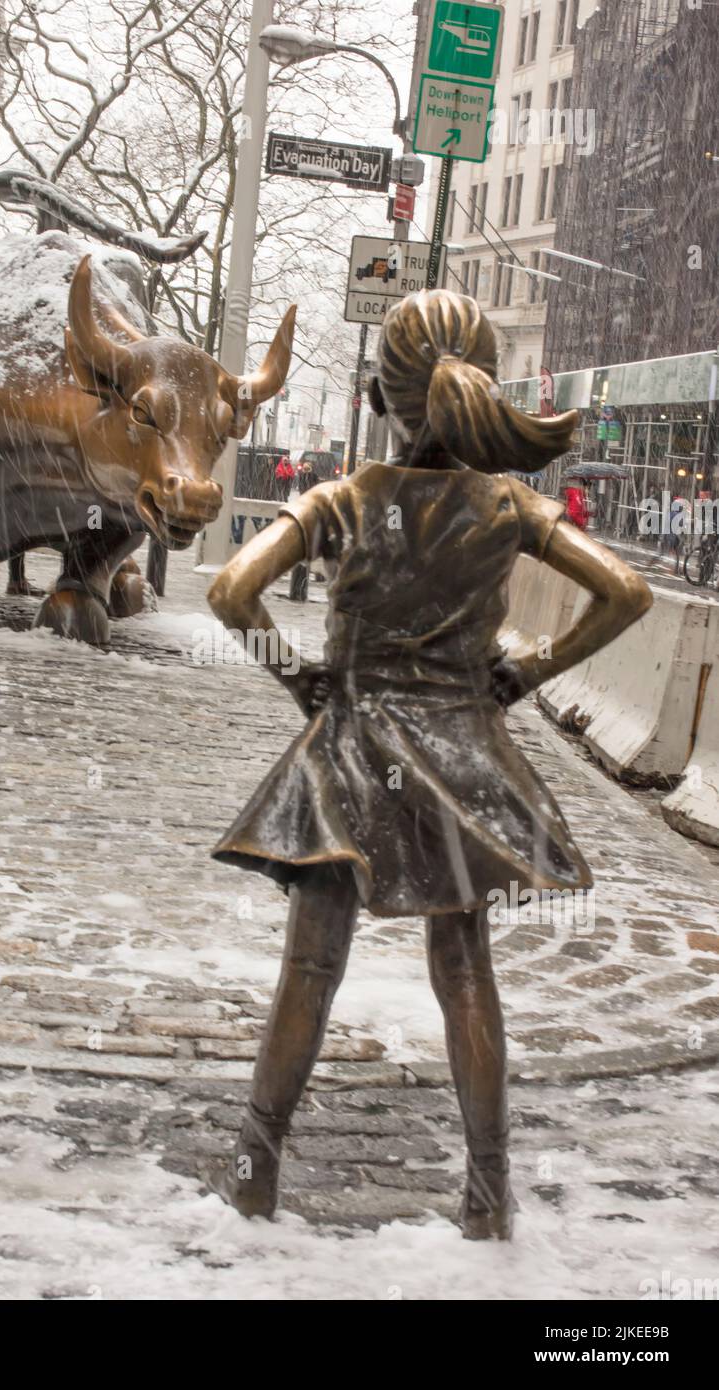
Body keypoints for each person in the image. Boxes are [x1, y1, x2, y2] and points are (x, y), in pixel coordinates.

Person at [207, 289, 652, 1238]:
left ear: (380, 396)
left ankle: (257, 1168)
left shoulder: (343, 500)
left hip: (352, 751)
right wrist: (527, 672)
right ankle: (488, 1197)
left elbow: (231, 591)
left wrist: (299, 681)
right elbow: (626, 592)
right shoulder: (509, 505)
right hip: (464, 751)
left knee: (310, 970)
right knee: (464, 971)